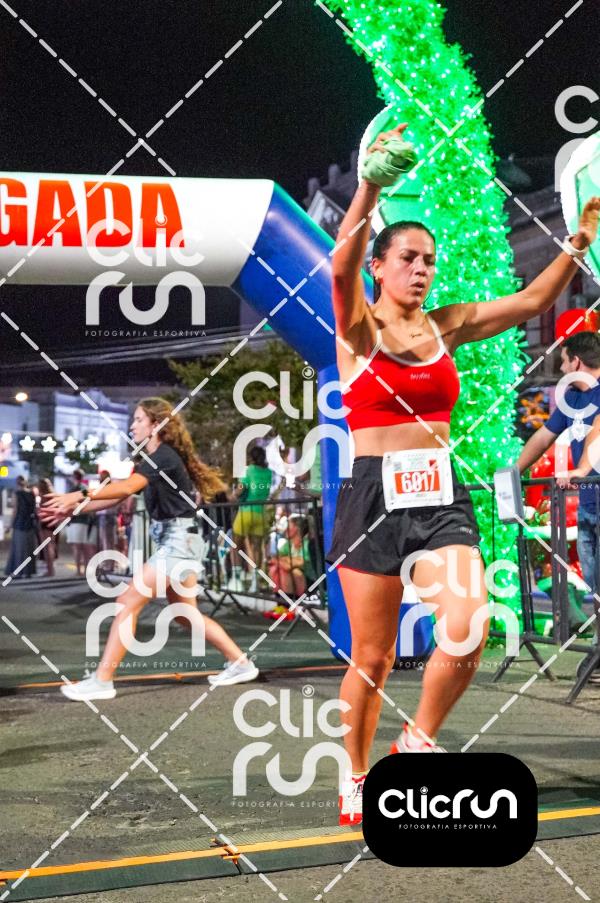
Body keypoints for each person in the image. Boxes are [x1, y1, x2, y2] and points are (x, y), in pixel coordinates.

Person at [326, 120, 600, 826]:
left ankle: (417, 741)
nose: (421, 269)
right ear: (380, 267)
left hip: (438, 493)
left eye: (428, 260)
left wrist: (577, 242)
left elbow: (531, 304)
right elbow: (337, 268)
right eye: (408, 258)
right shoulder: (358, 330)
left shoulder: (446, 325)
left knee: (468, 623)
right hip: (371, 496)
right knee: (373, 656)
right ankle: (355, 774)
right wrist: (369, 188)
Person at [41, 397, 260, 700]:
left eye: (138, 419)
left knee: (127, 600)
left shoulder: (164, 456)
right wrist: (73, 510)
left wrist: (78, 495)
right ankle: (241, 664)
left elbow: (125, 487)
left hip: (179, 541)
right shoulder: (154, 458)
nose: (132, 426)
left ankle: (102, 680)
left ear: (156, 425)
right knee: (185, 614)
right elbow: (117, 496)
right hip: (181, 539)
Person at [517, 332, 600, 647]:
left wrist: (582, 468)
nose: (562, 369)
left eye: (564, 362)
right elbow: (543, 437)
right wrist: (513, 471)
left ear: (576, 361)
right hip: (589, 506)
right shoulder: (572, 400)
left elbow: (598, 429)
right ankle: (598, 649)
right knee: (595, 586)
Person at [229, 445, 273, 592]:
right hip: (261, 513)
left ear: (251, 457)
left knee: (235, 545)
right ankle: (255, 581)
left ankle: (236, 580)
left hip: (246, 511)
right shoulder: (268, 472)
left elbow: (241, 488)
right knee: (257, 548)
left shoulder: (248, 470)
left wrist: (233, 495)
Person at [65, 468, 97, 576]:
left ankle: (79, 570)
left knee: (77, 546)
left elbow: (70, 504)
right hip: (83, 520)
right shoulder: (85, 488)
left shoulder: (76, 489)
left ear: (74, 477)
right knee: (83, 546)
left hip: (77, 520)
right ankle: (85, 569)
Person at [5, 475, 37, 578]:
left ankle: (19, 571)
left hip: (19, 523)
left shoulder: (16, 494)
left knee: (18, 548)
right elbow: (35, 509)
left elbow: (15, 511)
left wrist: (9, 526)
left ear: (17, 483)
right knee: (29, 547)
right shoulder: (32, 493)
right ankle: (28, 571)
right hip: (30, 523)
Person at [37, 477, 57, 577]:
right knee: (51, 545)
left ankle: (49, 570)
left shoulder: (43, 497)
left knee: (46, 547)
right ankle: (51, 569)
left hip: (45, 522)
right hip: (52, 522)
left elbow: (41, 511)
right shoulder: (53, 495)